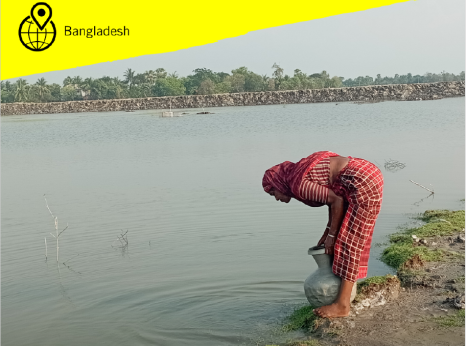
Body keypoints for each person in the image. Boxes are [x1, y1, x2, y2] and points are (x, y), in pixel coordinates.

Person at [262, 151, 383, 318]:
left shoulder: (299, 185)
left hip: (361, 181)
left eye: (272, 192)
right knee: (346, 238)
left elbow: (336, 200)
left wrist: (332, 237)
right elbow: (332, 200)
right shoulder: (297, 175)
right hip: (363, 172)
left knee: (350, 243)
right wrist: (328, 233)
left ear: (278, 182)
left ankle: (342, 305)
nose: (275, 198)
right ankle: (344, 296)